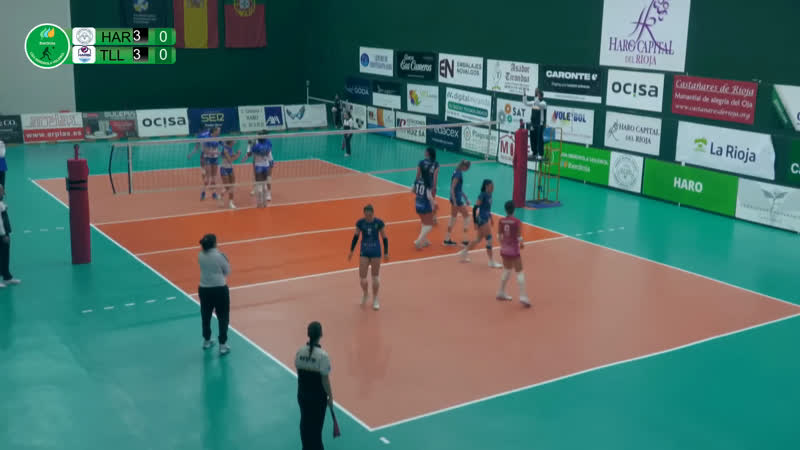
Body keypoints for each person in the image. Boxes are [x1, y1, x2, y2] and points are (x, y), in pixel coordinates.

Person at [295, 321, 333, 450]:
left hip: (302, 396)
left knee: (305, 423)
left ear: (308, 334)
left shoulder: (299, 352)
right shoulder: (323, 356)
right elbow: (325, 380)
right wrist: (330, 397)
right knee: (316, 429)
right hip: (318, 399)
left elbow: (299, 373)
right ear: (321, 334)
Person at [348, 204, 389, 310]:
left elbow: (384, 238)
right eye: (366, 215)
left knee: (375, 276)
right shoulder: (360, 223)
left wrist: (386, 252)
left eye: (369, 215)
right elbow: (355, 237)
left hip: (375, 251)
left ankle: (375, 298)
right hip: (364, 251)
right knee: (363, 279)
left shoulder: (379, 223)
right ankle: (366, 293)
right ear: (364, 214)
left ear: (373, 213)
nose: (368, 217)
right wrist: (351, 251)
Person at [197, 234, 231, 355]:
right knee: (223, 317)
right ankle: (223, 345)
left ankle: (207, 341)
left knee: (205, 316)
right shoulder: (220, 256)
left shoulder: (200, 255)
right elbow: (227, 271)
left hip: (204, 290)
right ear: (214, 244)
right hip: (220, 289)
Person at [457, 179, 503, 268]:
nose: (493, 188)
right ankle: (491, 262)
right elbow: (475, 208)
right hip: (482, 219)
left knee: (478, 239)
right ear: (486, 186)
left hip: (485, 218)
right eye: (491, 186)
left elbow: (487, 208)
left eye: (493, 186)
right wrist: (475, 222)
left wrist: (491, 217)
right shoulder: (482, 195)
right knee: (489, 239)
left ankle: (464, 252)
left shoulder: (490, 195)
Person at [496, 201, 530, 306]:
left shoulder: (501, 221)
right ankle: (523, 296)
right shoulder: (517, 222)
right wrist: (522, 244)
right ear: (514, 209)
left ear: (505, 209)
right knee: (519, 272)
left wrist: (503, 244)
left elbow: (499, 236)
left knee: (507, 270)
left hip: (504, 249)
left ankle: (501, 292)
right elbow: (519, 236)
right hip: (514, 250)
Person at [413, 147, 440, 248]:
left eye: (425, 151)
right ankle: (419, 240)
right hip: (428, 192)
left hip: (419, 198)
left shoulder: (421, 163)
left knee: (424, 220)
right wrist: (434, 191)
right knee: (429, 222)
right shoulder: (436, 164)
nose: (424, 152)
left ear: (428, 153)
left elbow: (417, 176)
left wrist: (415, 186)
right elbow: (435, 177)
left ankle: (424, 240)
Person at [188, 127, 223, 201]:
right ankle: (203, 193)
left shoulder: (218, 138)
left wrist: (224, 151)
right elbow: (205, 150)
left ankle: (214, 193)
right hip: (207, 158)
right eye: (218, 131)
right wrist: (217, 153)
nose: (219, 132)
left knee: (214, 178)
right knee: (207, 178)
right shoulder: (207, 139)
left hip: (215, 159)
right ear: (214, 131)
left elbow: (223, 145)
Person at [444, 160, 471, 246]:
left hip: (455, 198)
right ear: (464, 166)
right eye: (468, 168)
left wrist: (465, 198)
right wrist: (455, 202)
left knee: (453, 218)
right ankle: (465, 240)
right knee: (467, 217)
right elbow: (452, 188)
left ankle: (447, 239)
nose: (467, 169)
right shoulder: (458, 174)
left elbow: (458, 188)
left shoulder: (456, 171)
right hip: (457, 200)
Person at [0, 185, 20, 288]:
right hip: (1, 234)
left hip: (4, 233)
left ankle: (7, 277)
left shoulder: (1, 203)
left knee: (5, 255)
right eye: (2, 191)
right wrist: (3, 235)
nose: (3, 193)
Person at [246, 134, 273, 207]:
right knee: (265, 184)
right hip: (266, 166)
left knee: (259, 185)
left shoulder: (255, 146)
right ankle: (265, 203)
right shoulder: (268, 146)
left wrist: (249, 145)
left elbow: (249, 154)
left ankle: (259, 203)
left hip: (258, 167)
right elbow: (269, 154)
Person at [522, 88, 547, 160]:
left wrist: (536, 96)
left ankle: (541, 154)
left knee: (539, 140)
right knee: (532, 139)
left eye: (538, 95)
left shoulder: (543, 103)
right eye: (536, 95)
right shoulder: (534, 102)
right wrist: (524, 94)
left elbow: (537, 104)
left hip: (540, 124)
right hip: (533, 123)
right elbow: (526, 103)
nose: (537, 96)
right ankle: (534, 153)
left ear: (541, 96)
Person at [219, 140, 240, 209]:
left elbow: (232, 155)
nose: (234, 142)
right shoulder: (225, 149)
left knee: (232, 186)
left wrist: (235, 154)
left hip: (230, 168)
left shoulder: (230, 148)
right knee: (228, 187)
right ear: (231, 142)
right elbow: (230, 160)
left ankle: (229, 201)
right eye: (233, 141)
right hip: (224, 169)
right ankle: (225, 198)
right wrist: (238, 155)